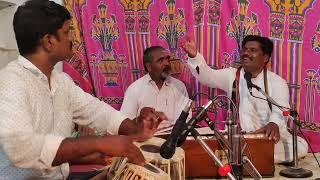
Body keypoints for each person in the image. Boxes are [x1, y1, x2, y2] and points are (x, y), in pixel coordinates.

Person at [0, 0, 167, 179]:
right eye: (66, 32)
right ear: (49, 41)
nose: (72, 38)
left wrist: (134, 128)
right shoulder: (10, 82)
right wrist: (98, 143)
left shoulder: (62, 82)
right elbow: (20, 148)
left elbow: (96, 111)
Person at [181, 35, 308, 163]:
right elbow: (207, 76)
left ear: (265, 58)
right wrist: (194, 56)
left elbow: (281, 109)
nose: (246, 53)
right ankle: (250, 157)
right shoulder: (232, 75)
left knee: (299, 147)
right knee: (196, 135)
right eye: (244, 49)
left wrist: (273, 123)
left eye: (252, 50)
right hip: (236, 138)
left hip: (265, 138)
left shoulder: (277, 82)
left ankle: (242, 157)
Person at [120, 46, 191, 130]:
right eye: (160, 60)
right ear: (149, 66)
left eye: (167, 59)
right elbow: (125, 121)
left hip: (173, 138)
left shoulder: (179, 86)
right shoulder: (135, 89)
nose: (167, 63)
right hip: (145, 139)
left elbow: (186, 118)